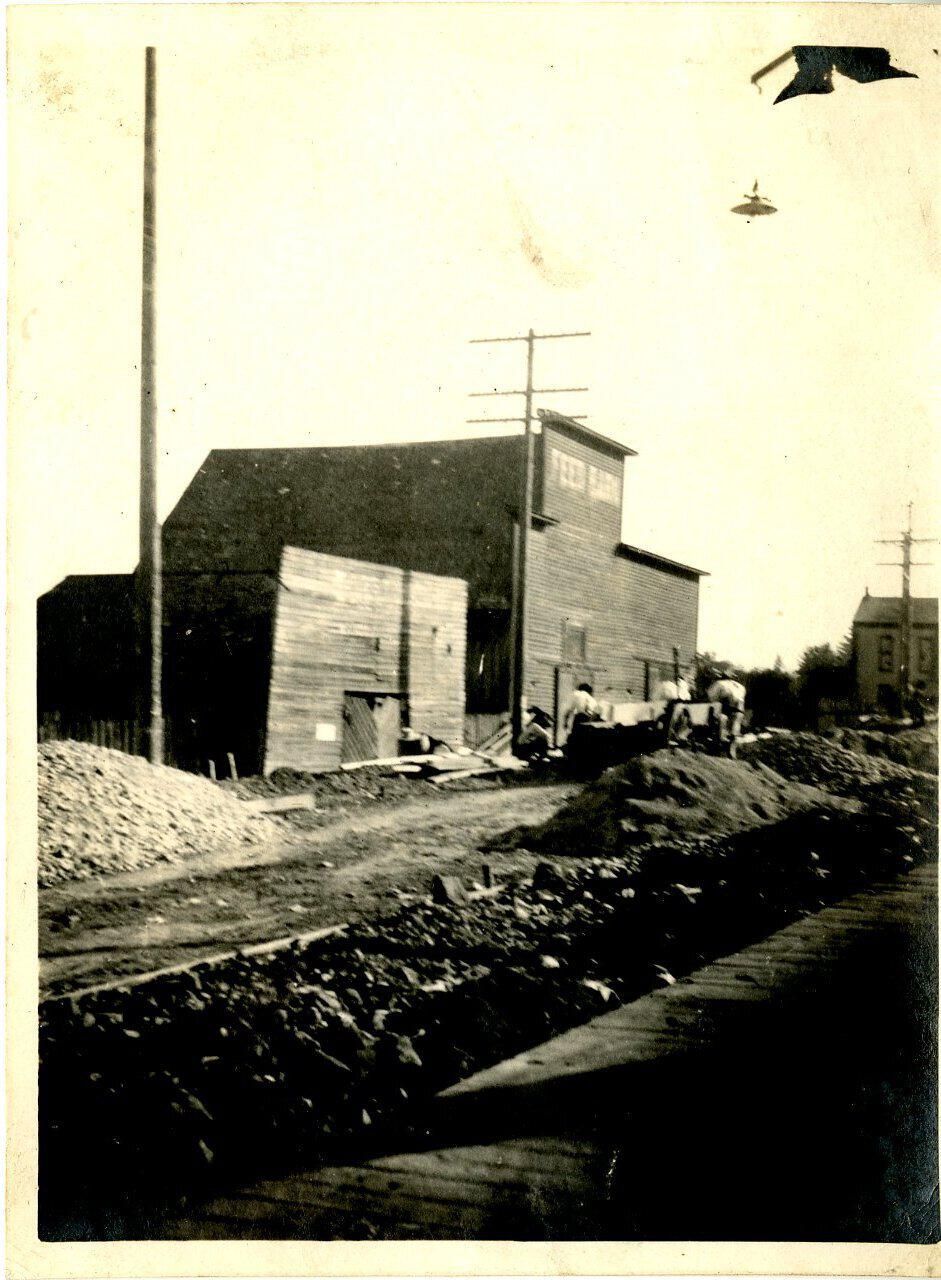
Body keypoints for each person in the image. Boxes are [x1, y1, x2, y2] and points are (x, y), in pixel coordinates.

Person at [706, 667, 747, 753]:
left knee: (721, 719)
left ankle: (720, 741)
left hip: (726, 708)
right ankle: (732, 744)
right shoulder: (740, 686)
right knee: (736, 725)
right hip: (739, 710)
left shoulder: (719, 683)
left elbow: (711, 698)